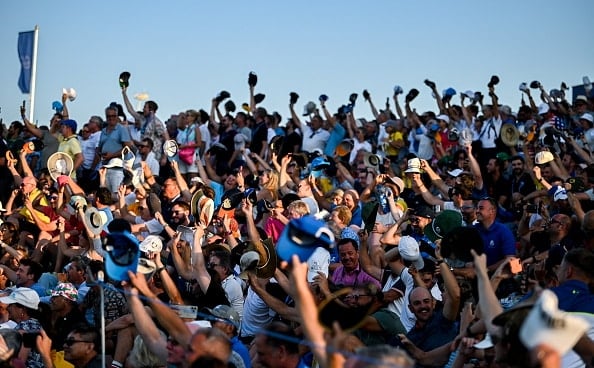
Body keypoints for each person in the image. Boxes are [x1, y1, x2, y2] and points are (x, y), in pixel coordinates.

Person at [96, 105, 133, 193]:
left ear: (117, 117)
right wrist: (99, 152)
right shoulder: (104, 131)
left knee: (116, 194)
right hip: (105, 166)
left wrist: (112, 155)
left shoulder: (121, 129)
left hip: (117, 167)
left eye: (113, 116)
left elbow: (127, 148)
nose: (111, 118)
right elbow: (100, 146)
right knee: (105, 195)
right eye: (109, 116)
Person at [474, 197, 516, 271]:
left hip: (498, 277)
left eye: (481, 208)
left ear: (492, 211)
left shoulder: (504, 231)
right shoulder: (472, 229)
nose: (477, 211)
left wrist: (486, 270)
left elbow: (510, 259)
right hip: (475, 274)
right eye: (477, 208)